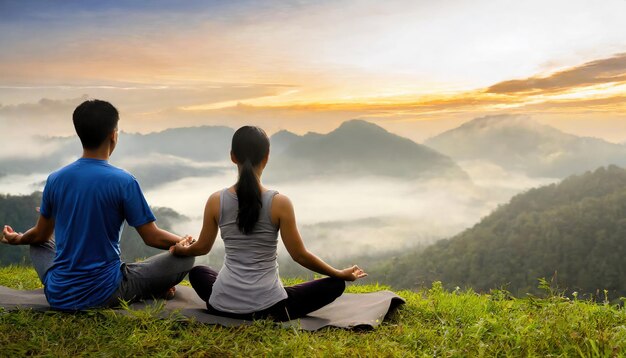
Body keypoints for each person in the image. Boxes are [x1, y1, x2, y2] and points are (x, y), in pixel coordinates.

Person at [1, 99, 194, 311]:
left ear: (79, 134)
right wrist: (187, 243)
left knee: (39, 243)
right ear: (113, 135)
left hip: (58, 293)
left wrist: (17, 239)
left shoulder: (55, 179)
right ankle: (151, 287)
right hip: (104, 292)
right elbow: (151, 236)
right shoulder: (124, 181)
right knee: (185, 259)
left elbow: (39, 235)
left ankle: (145, 283)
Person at [170, 126, 367, 321]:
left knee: (198, 272)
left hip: (221, 304)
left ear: (232, 156)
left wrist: (180, 250)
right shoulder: (280, 203)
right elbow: (300, 255)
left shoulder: (215, 201)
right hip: (271, 309)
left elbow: (202, 248)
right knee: (335, 285)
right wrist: (339, 274)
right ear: (267, 157)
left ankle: (237, 295)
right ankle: (272, 296)